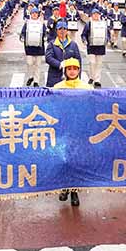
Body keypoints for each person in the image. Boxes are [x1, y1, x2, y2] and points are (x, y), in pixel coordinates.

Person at [54, 57, 91, 207]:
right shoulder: (57, 87)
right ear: (65, 70)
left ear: (79, 70)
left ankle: (74, 190)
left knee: (76, 160)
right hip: (64, 128)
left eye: (75, 69)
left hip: (79, 129)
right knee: (64, 159)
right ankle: (64, 188)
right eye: (69, 69)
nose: (72, 71)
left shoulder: (87, 88)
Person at [45, 21, 81, 87]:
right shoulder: (52, 44)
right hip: (54, 77)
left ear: (67, 30)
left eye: (64, 29)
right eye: (60, 29)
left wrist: (78, 77)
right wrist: (59, 64)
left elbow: (78, 61)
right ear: (56, 31)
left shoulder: (73, 44)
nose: (62, 31)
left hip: (70, 79)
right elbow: (48, 58)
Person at [81, 9, 108, 88]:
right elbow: (83, 34)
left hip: (100, 46)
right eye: (94, 14)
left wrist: (107, 39)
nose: (96, 16)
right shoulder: (89, 24)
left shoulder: (103, 24)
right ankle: (92, 77)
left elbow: (107, 33)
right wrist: (84, 40)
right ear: (92, 15)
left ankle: (97, 80)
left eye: (97, 14)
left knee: (99, 63)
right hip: (91, 46)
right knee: (92, 62)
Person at [20, 7, 45, 87]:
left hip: (39, 47)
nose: (34, 15)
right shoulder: (27, 23)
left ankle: (36, 81)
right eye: (33, 13)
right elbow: (23, 32)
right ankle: (31, 76)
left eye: (36, 13)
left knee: (38, 65)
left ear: (38, 15)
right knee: (29, 63)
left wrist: (45, 37)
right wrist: (22, 37)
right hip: (29, 47)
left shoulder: (41, 23)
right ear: (30, 14)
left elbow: (45, 32)